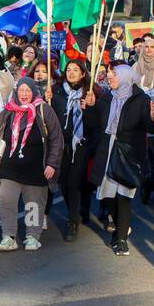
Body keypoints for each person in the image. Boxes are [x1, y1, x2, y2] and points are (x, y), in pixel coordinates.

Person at [0, 76, 63, 252]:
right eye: (21, 91)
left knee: (33, 204)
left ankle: (32, 236)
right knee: (6, 200)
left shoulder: (44, 110)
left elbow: (56, 139)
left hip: (36, 168)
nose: (24, 94)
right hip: (10, 166)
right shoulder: (9, 110)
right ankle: (8, 237)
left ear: (33, 92)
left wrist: (52, 164)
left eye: (27, 91)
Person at [90, 64, 154, 255]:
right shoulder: (105, 99)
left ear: (126, 77)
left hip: (128, 152)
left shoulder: (141, 100)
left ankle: (121, 239)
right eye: (110, 73)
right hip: (107, 149)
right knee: (107, 195)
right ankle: (121, 226)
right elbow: (96, 124)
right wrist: (89, 107)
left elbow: (151, 128)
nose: (110, 77)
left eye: (114, 74)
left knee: (124, 195)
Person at [53, 59, 101, 241]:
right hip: (63, 143)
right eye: (68, 69)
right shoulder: (58, 92)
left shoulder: (91, 93)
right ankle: (79, 210)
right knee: (64, 183)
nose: (71, 72)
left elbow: (97, 123)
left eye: (76, 70)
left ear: (83, 74)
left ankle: (73, 222)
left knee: (74, 181)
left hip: (82, 143)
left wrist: (91, 108)